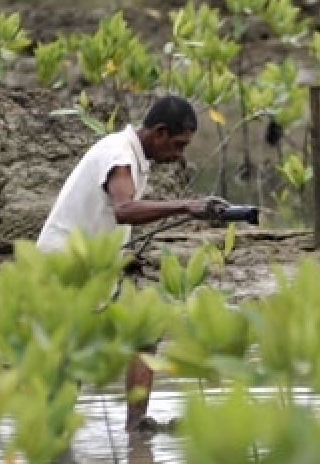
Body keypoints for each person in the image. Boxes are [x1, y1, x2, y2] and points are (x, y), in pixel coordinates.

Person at [38, 94, 227, 433]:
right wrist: (187, 206)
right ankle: (57, 435)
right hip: (64, 265)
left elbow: (104, 216)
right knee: (69, 357)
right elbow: (124, 210)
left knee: (145, 331)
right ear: (159, 132)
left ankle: (134, 426)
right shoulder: (120, 155)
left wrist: (123, 258)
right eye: (179, 145)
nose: (180, 155)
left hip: (88, 264)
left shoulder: (129, 156)